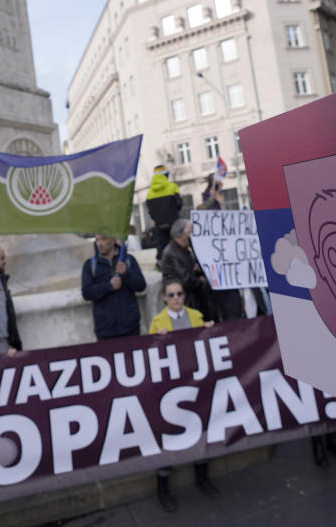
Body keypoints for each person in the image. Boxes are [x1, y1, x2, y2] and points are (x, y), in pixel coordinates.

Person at [148, 280, 217, 510]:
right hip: (172, 389)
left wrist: (211, 330)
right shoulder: (158, 322)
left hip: (197, 382)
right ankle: (163, 486)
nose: (176, 298)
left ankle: (202, 476)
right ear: (165, 298)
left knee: (203, 428)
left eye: (179, 294)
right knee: (170, 434)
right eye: (171, 295)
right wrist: (156, 339)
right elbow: (148, 357)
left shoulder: (196, 316)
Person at [81, 234, 147, 340]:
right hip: (105, 331)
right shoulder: (90, 265)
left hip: (130, 327)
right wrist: (109, 286)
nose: (100, 243)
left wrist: (126, 274)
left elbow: (141, 285)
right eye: (97, 240)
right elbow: (87, 292)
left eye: (104, 239)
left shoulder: (128, 260)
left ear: (113, 240)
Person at [160, 219, 212, 318]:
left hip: (193, 300)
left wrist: (196, 269)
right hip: (185, 302)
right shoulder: (171, 253)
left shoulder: (184, 250)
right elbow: (185, 279)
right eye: (189, 232)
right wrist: (201, 281)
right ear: (181, 234)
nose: (192, 235)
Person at [145, 165, 182, 265]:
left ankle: (162, 265)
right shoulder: (172, 187)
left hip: (159, 225)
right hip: (173, 223)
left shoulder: (149, 192)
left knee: (161, 246)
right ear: (166, 174)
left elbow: (149, 210)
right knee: (176, 245)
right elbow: (179, 204)